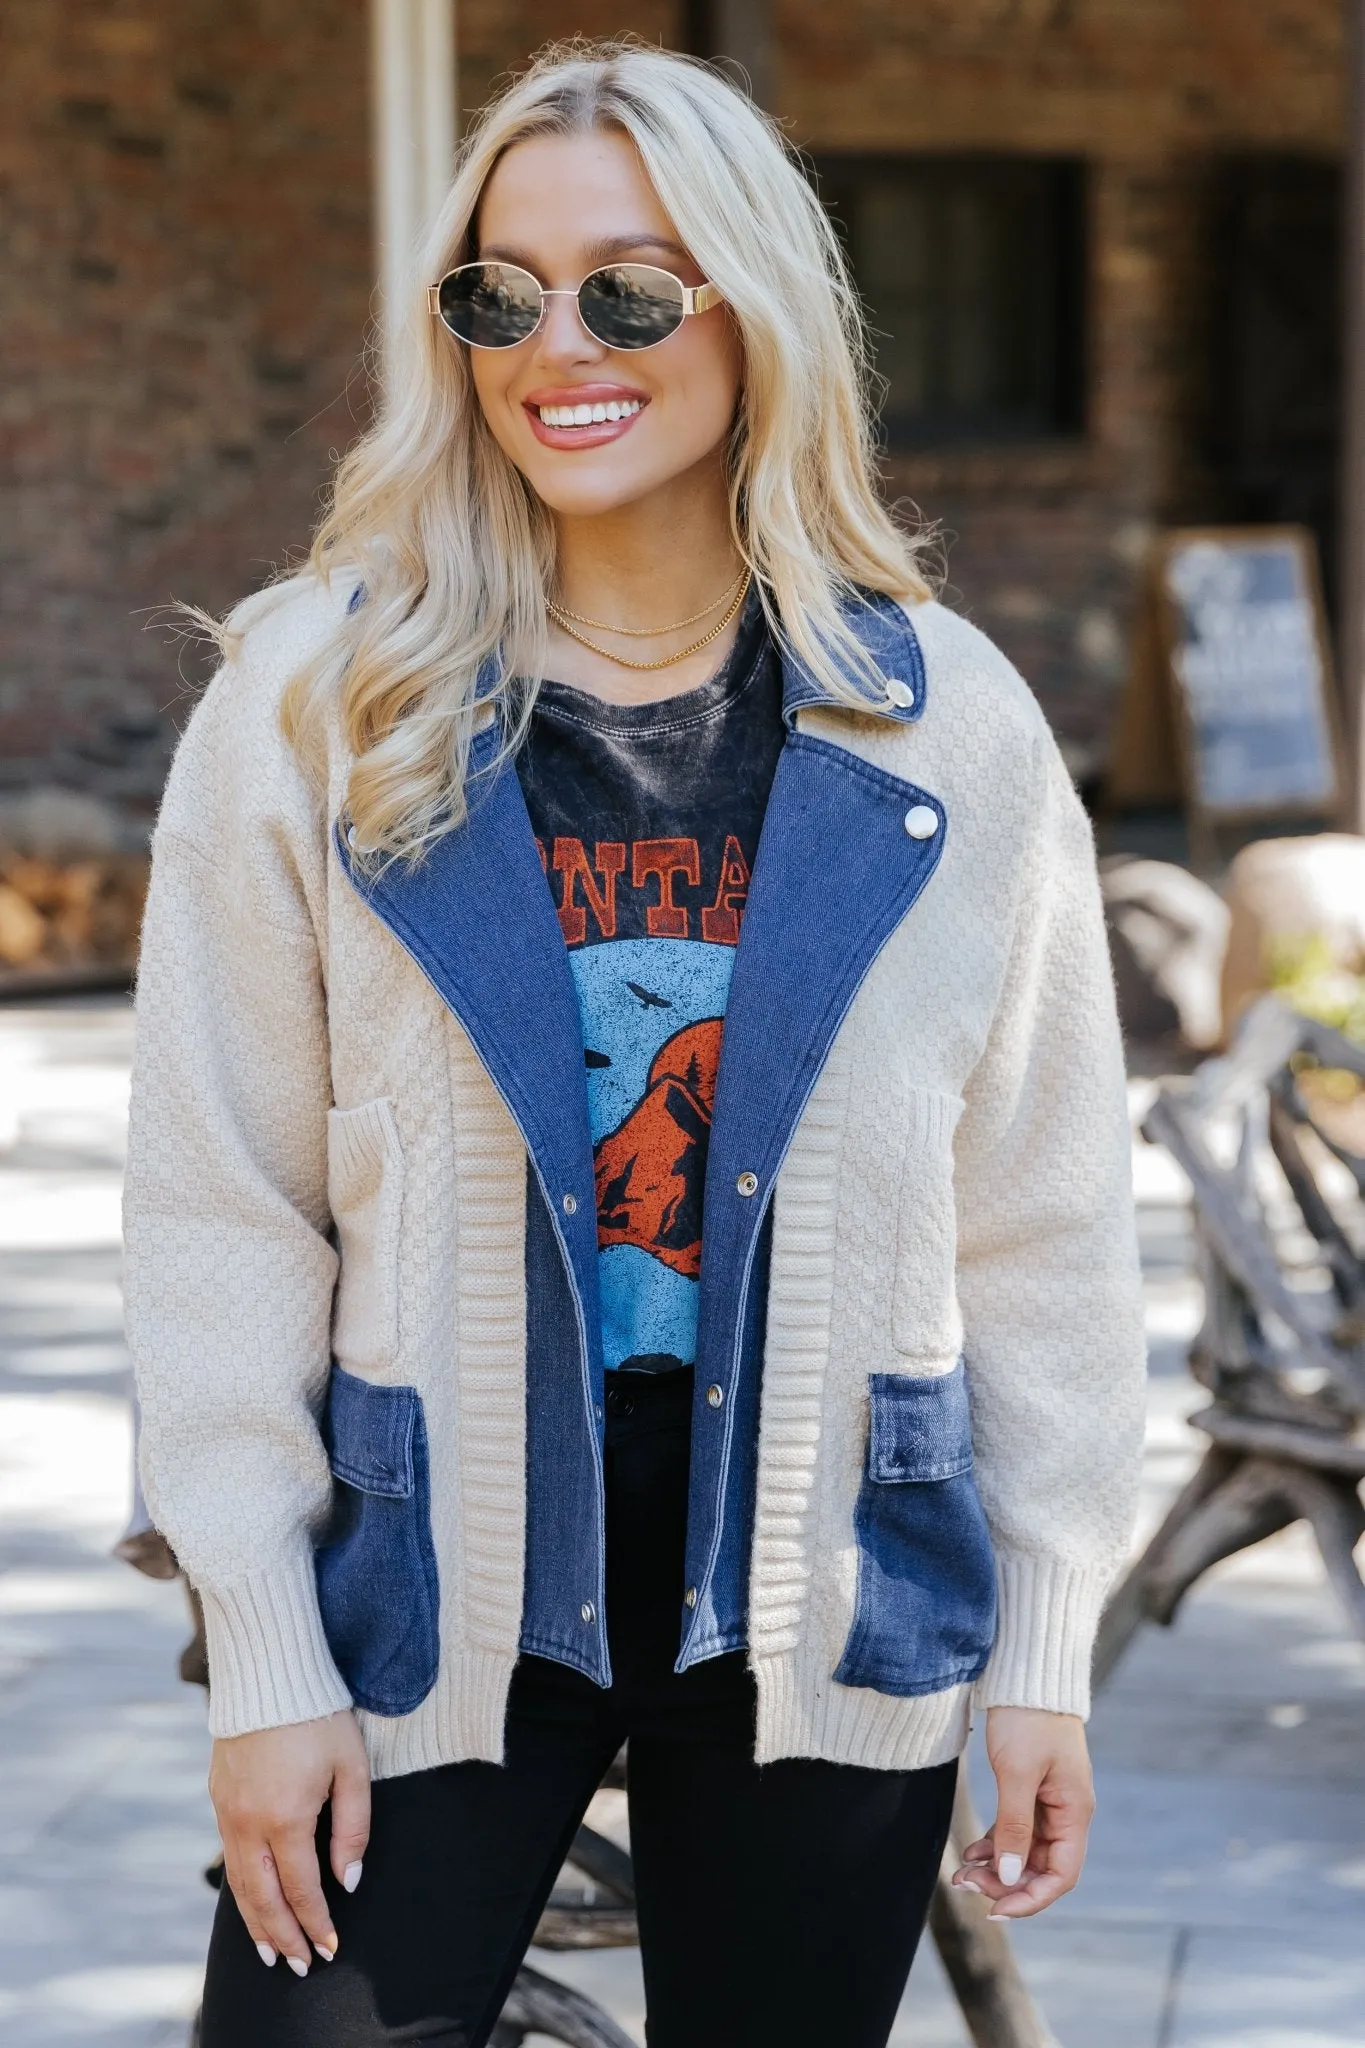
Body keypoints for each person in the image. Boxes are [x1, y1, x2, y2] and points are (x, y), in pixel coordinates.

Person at [123, 39, 1147, 2048]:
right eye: (497, 291)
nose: (553, 343)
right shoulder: (316, 706)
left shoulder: (945, 727)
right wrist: (260, 1647)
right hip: (439, 1567)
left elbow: (1039, 1218)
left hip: (823, 1569)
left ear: (753, 306)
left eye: (630, 288)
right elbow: (219, 1204)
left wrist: (1042, 1638)